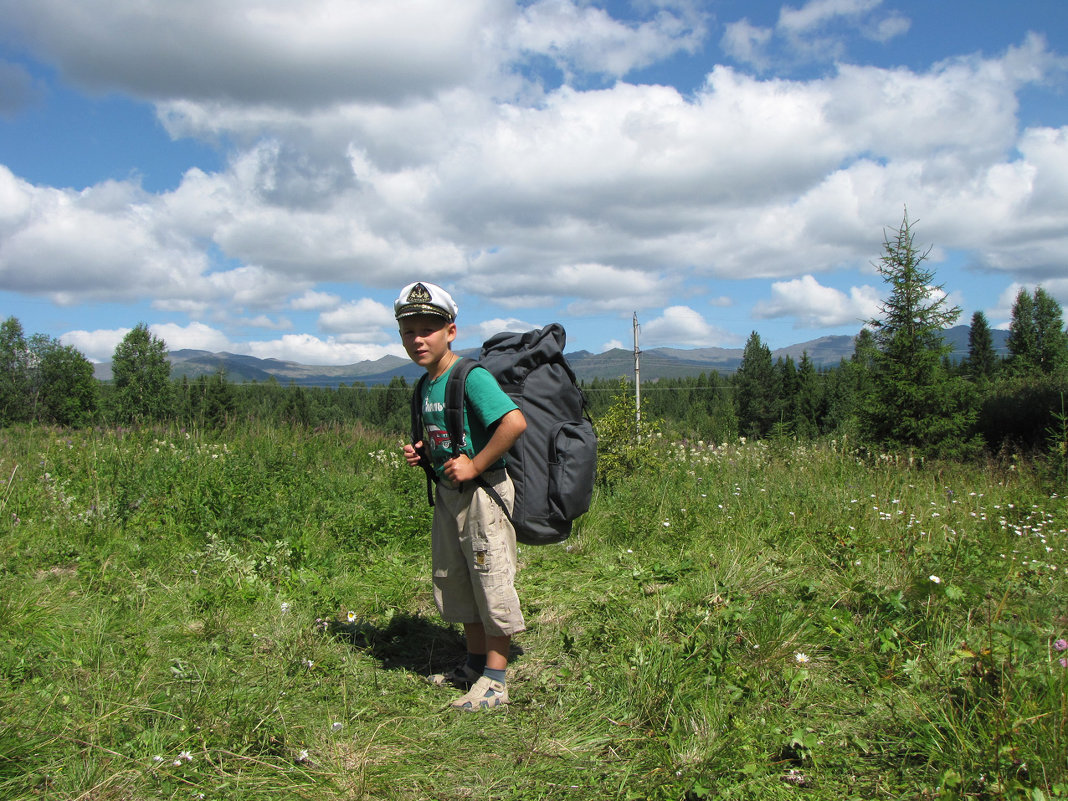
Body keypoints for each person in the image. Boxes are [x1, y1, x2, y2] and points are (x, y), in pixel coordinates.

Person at [397, 281, 527, 711]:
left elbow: (513, 422)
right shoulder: (425, 385)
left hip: (484, 495)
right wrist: (424, 454)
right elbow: (448, 434)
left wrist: (474, 463)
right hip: (450, 497)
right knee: (459, 580)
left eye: (427, 329)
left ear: (450, 331)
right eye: (408, 330)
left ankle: (495, 680)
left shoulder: (470, 377)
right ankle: (473, 665)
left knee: (489, 580)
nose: (417, 339)